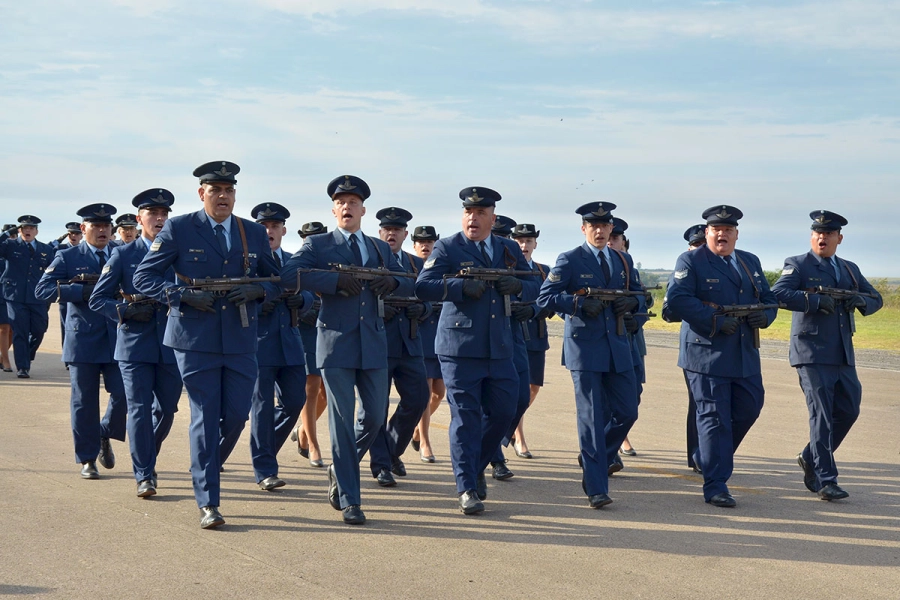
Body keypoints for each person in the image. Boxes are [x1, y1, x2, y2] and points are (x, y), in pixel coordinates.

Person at [133, 161, 281, 529]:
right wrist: (180, 296)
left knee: (236, 414)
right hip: (194, 338)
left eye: (229, 191)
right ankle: (208, 501)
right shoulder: (180, 229)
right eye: (216, 191)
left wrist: (259, 289)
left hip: (241, 337)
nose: (223, 197)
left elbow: (279, 280)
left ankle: (204, 461)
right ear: (202, 194)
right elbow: (144, 276)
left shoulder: (252, 233)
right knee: (204, 414)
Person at [281, 175, 414, 525]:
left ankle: (340, 471)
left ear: (363, 210)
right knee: (341, 422)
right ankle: (352, 500)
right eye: (340, 202)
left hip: (373, 343)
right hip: (336, 344)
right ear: (333, 209)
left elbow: (408, 279)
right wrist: (333, 282)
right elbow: (289, 272)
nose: (346, 207)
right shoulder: (320, 245)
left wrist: (394, 281)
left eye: (353, 202)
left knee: (373, 417)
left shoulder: (379, 247)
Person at [415, 187, 539, 515]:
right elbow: (423, 286)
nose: (473, 217)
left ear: (492, 218)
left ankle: (476, 466)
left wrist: (520, 287)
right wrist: (458, 287)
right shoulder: (448, 247)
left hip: (500, 347)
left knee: (506, 410)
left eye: (481, 213)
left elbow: (535, 285)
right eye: (469, 212)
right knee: (465, 418)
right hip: (459, 349)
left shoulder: (508, 248)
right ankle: (466, 486)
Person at [666, 205, 778, 508]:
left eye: (728, 230)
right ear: (707, 232)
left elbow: (769, 299)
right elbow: (678, 299)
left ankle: (708, 455)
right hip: (706, 354)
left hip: (743, 353)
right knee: (714, 419)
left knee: (749, 408)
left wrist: (765, 316)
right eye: (717, 230)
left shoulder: (748, 262)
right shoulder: (691, 260)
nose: (722, 235)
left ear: (736, 235)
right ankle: (716, 485)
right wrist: (713, 320)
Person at [536, 202, 644, 509]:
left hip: (618, 347)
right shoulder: (570, 259)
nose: (598, 230)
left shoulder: (623, 260)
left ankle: (592, 457)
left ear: (611, 229)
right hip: (585, 350)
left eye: (604, 225)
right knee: (592, 419)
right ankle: (596, 485)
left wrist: (632, 306)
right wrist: (578, 305)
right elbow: (546, 297)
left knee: (627, 412)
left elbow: (636, 294)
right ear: (584, 229)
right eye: (592, 226)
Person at [772, 210, 882, 501]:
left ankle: (810, 455)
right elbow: (779, 293)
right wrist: (814, 301)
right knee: (821, 415)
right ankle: (825, 479)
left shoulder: (848, 269)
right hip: (811, 351)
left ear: (839, 238)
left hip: (842, 353)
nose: (822, 237)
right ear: (812, 236)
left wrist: (860, 300)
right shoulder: (797, 264)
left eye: (829, 234)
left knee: (848, 410)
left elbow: (876, 299)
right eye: (818, 233)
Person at [89, 189, 183, 498]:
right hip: (134, 344)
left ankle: (146, 455)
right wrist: (124, 310)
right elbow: (97, 298)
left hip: (170, 343)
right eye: (153, 213)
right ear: (139, 218)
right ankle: (144, 474)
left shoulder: (179, 252)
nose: (159, 218)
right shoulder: (124, 254)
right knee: (140, 409)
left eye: (164, 214)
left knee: (167, 410)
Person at [221, 201, 312, 491]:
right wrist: (264, 299)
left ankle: (257, 451)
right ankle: (264, 469)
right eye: (264, 226)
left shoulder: (293, 261)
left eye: (275, 226)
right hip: (259, 342)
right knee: (261, 407)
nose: (270, 230)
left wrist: (305, 300)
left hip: (291, 344)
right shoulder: (247, 263)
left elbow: (313, 293)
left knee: (294, 402)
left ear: (284, 230)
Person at [36, 204, 127, 480]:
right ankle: (87, 458)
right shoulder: (67, 256)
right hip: (83, 339)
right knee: (83, 402)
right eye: (95, 226)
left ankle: (103, 431)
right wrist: (82, 290)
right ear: (83, 228)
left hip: (117, 338)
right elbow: (43, 290)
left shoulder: (120, 254)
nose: (102, 231)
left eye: (106, 226)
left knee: (125, 395)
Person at [365, 207, 430, 487]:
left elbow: (432, 298)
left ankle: (392, 451)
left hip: (410, 344)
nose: (391, 233)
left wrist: (423, 309)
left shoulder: (417, 264)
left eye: (397, 230)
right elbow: (357, 299)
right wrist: (379, 308)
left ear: (406, 234)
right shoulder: (369, 259)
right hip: (378, 344)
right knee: (377, 408)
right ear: (380, 233)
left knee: (418, 400)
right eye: (387, 229)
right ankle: (381, 465)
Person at [662, 224, 707, 472]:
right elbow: (669, 312)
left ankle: (707, 452)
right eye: (696, 245)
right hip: (694, 345)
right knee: (698, 403)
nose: (700, 250)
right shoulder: (682, 272)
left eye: (703, 245)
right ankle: (696, 455)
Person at [509, 223, 553, 459]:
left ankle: (514, 428)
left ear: (535, 243)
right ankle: (519, 435)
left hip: (536, 335)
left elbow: (550, 301)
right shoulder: (508, 269)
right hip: (513, 336)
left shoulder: (543, 271)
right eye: (519, 241)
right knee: (517, 391)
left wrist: (536, 310)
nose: (524, 245)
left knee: (532, 388)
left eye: (528, 241)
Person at [291, 221, 329, 468]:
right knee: (311, 388)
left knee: (327, 392)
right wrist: (307, 310)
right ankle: (312, 444)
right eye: (309, 238)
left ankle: (303, 429)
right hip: (306, 332)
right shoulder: (297, 267)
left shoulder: (330, 267)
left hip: (333, 332)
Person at [0, 216, 55, 378]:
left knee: (39, 330)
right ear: (20, 230)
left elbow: (53, 271)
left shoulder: (46, 249)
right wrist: (5, 234)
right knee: (20, 332)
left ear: (36, 231)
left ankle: (26, 354)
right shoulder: (10, 246)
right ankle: (23, 367)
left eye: (31, 228)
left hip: (37, 296)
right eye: (24, 228)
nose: (28, 231)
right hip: (15, 296)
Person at [410, 225, 444, 463]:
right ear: (413, 245)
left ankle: (415, 430)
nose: (425, 245)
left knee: (439, 393)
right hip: (420, 335)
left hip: (441, 338)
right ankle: (425, 441)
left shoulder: (441, 268)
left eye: (430, 242)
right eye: (421, 242)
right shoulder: (410, 268)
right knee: (425, 392)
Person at [53, 222, 83, 351]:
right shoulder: (60, 249)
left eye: (76, 233)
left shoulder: (84, 251)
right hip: (66, 293)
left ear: (81, 235)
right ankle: (68, 355)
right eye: (70, 233)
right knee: (66, 325)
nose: (73, 236)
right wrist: (59, 239)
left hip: (82, 293)